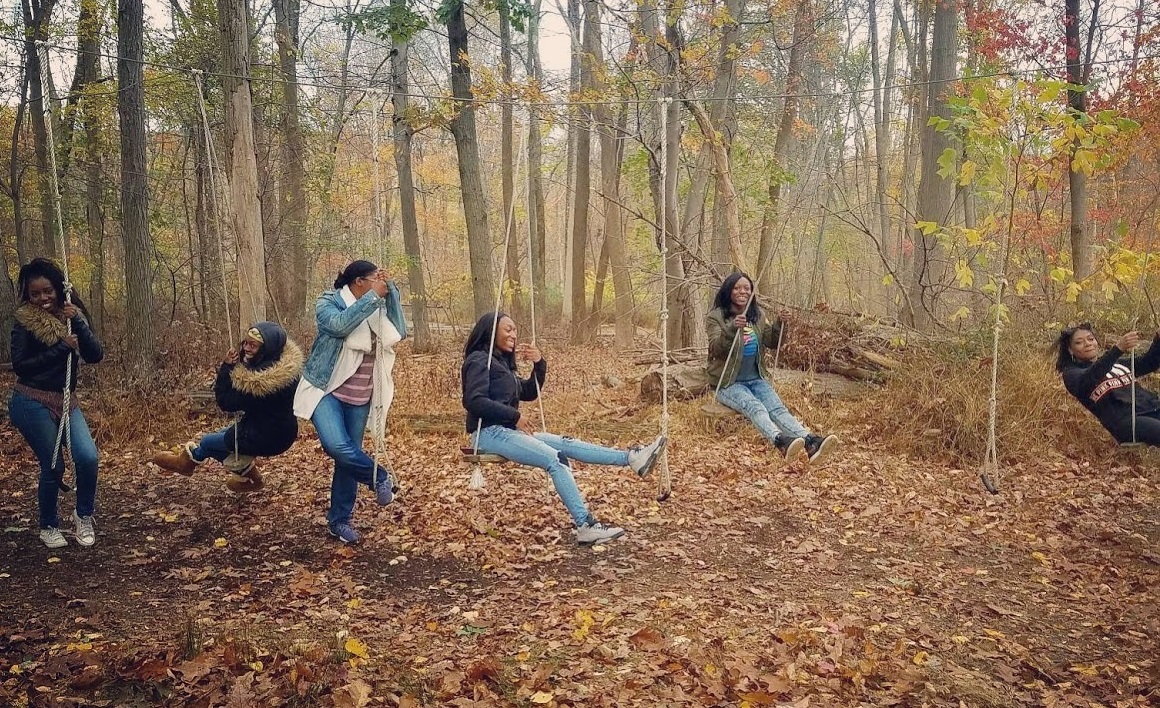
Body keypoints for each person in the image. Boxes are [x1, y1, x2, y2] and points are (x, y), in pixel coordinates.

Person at [461, 312, 667, 545]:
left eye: (515, 330)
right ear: (490, 330)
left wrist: (539, 363)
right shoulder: (479, 360)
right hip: (489, 434)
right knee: (555, 459)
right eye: (508, 329)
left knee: (568, 444)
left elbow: (529, 392)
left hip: (508, 432)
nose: (513, 335)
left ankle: (632, 458)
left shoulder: (501, 364)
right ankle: (585, 525)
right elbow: (473, 400)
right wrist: (515, 416)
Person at [294, 260, 407, 544]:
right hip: (325, 389)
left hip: (360, 396)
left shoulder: (377, 305)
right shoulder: (328, 302)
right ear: (358, 281)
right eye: (374, 278)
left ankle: (340, 521)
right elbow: (339, 326)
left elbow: (399, 331)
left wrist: (390, 291)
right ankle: (379, 477)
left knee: (347, 458)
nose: (377, 283)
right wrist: (373, 297)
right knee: (336, 446)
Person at [9, 258, 104, 549]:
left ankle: (83, 515)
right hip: (30, 399)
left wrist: (77, 323)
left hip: (65, 399)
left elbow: (96, 354)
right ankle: (48, 524)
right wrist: (63, 346)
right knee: (53, 465)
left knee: (88, 457)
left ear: (58, 289)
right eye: (35, 294)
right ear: (28, 294)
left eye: (47, 291)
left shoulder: (71, 316)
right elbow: (22, 366)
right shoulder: (24, 322)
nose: (42, 299)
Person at [152, 322, 303, 492]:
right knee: (221, 436)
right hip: (277, 430)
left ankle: (186, 464)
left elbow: (226, 402)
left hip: (266, 438)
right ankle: (251, 479)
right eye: (245, 342)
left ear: (266, 349)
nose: (246, 348)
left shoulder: (260, 384)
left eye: (253, 345)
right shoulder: (282, 366)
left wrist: (227, 368)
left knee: (208, 442)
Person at [706, 272, 838, 463]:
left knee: (778, 409)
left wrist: (780, 324)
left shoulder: (756, 316)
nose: (742, 291)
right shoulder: (716, 317)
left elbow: (772, 341)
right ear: (728, 291)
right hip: (727, 382)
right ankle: (780, 441)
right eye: (737, 288)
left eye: (746, 288)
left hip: (756, 378)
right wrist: (732, 328)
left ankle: (810, 442)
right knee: (756, 407)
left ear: (752, 292)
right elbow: (716, 349)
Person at [1057, 323, 1160, 446]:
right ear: (1070, 349)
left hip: (1152, 408)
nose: (1088, 343)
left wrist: (1158, 340)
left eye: (1091, 339)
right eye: (1079, 342)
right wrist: (1118, 349)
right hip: (1127, 421)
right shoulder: (1072, 374)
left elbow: (1149, 363)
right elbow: (1091, 377)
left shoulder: (1116, 364)